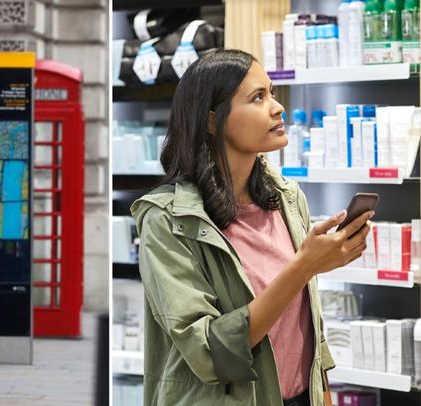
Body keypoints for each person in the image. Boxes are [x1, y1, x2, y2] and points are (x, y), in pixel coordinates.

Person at [130, 49, 373, 406]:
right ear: (212, 121)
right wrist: (304, 266)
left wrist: (322, 392)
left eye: (272, 93)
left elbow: (306, 326)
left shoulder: (287, 198)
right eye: (258, 97)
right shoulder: (167, 220)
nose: (277, 107)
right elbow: (212, 352)